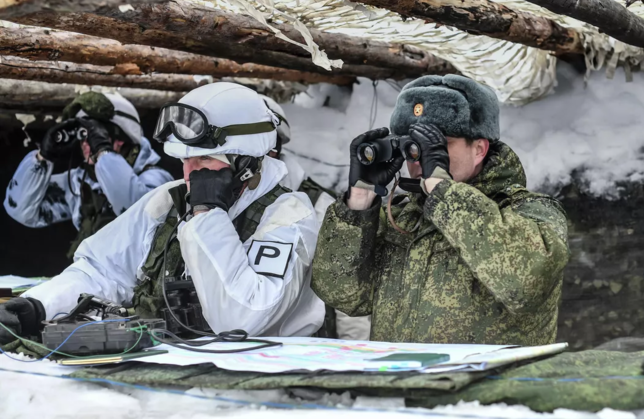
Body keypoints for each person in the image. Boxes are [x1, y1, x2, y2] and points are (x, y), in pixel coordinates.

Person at [0, 83, 324, 344]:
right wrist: (36, 305)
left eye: (203, 161)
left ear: (246, 161)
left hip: (257, 390)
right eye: (185, 161)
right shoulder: (167, 201)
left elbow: (243, 321)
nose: (189, 174)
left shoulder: (289, 215)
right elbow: (102, 270)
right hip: (166, 374)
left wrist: (208, 214)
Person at [311, 75, 569, 345]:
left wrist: (443, 191)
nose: (421, 159)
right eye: (414, 147)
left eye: (437, 146)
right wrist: (359, 202)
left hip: (490, 386)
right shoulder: (402, 219)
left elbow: (525, 284)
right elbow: (342, 294)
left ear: (479, 149)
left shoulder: (532, 212)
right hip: (404, 383)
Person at [4, 92, 173, 257]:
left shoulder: (156, 179)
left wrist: (103, 153)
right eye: (84, 136)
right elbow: (21, 211)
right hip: (94, 280)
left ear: (120, 138)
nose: (85, 144)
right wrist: (43, 157)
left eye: (94, 135)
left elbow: (133, 210)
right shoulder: (82, 182)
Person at [262, 95, 370, 340]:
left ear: (273, 149)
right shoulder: (208, 204)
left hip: (307, 351)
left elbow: (348, 288)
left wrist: (353, 356)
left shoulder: (318, 205)